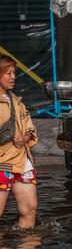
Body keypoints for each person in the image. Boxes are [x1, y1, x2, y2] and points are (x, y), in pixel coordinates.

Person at [0, 53, 38, 229]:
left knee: (29, 210)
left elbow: (30, 127)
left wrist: (25, 137)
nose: (13, 77)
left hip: (22, 161)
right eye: (8, 73)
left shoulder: (16, 101)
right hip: (2, 163)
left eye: (14, 73)